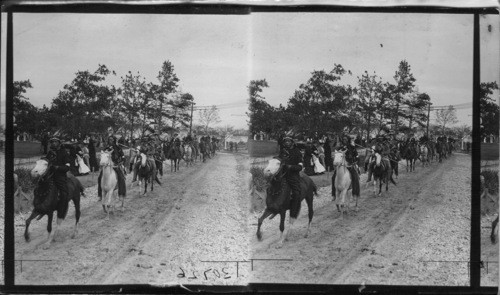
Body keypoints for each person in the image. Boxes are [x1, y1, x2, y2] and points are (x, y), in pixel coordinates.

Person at [278, 137, 303, 217]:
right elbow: (279, 161)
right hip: (282, 174)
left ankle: (293, 213)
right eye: (285, 141)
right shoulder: (282, 151)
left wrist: (291, 167)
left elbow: (300, 167)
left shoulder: (297, 152)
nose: (287, 143)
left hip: (293, 175)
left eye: (289, 141)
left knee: (296, 193)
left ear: (292, 142)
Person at [97, 135, 126, 201]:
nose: (111, 141)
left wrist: (121, 162)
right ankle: (100, 195)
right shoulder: (106, 148)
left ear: (115, 140)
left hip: (115, 165)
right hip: (107, 166)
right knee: (99, 177)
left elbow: (123, 157)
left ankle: (121, 194)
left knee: (121, 177)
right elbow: (103, 156)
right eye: (109, 140)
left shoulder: (119, 148)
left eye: (112, 140)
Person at [332, 135, 360, 199]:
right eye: (343, 139)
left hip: (350, 165)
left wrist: (354, 160)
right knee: (333, 177)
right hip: (342, 165)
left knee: (355, 176)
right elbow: (337, 154)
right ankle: (334, 194)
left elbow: (356, 155)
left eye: (346, 139)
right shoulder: (340, 147)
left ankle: (355, 193)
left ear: (348, 140)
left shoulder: (352, 147)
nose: (345, 140)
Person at [46, 136, 71, 202]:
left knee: (63, 193)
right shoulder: (50, 153)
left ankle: (63, 206)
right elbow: (46, 162)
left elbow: (67, 167)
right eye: (52, 142)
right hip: (49, 175)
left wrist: (58, 168)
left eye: (55, 142)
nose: (54, 143)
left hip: (60, 176)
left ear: (59, 143)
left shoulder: (64, 153)